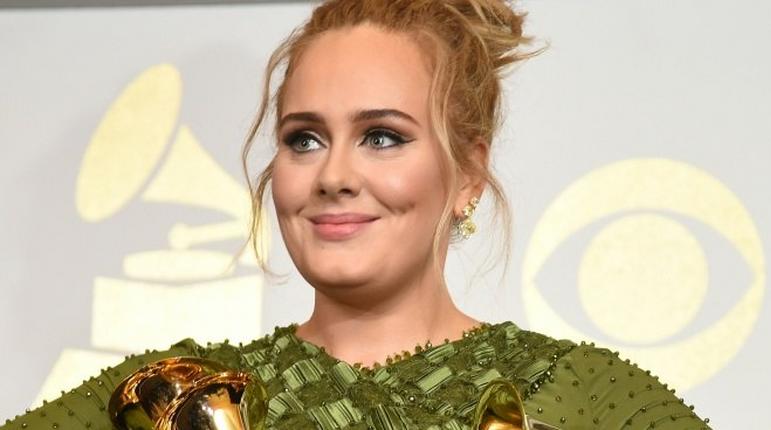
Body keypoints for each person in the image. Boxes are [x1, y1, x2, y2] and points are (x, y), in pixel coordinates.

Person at [1, 1, 713, 429]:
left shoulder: (582, 393)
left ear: (468, 171)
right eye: (304, 139)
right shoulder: (169, 396)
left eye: (382, 136)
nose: (335, 175)